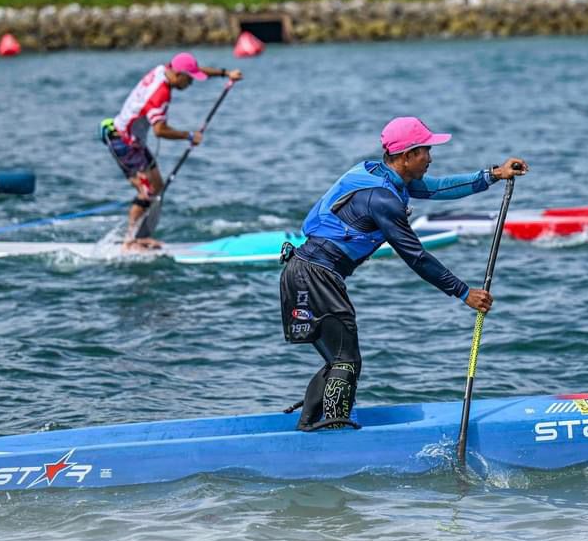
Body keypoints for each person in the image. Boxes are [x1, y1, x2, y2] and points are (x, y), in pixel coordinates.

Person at [279, 117, 528, 431]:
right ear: (407, 155)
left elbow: (439, 188)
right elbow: (417, 257)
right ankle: (334, 431)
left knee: (339, 358)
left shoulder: (377, 172)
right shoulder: (382, 199)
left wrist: (493, 174)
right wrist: (464, 292)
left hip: (305, 272)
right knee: (346, 360)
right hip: (315, 276)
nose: (430, 157)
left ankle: (308, 427)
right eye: (425, 150)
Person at [100, 53, 242, 249]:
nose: (191, 83)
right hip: (123, 142)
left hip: (133, 141)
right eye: (189, 79)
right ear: (177, 75)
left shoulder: (162, 69)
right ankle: (130, 241)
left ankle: (140, 236)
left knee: (158, 187)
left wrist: (226, 73)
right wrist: (188, 136)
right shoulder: (160, 95)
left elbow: (196, 69)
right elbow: (159, 130)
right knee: (147, 191)